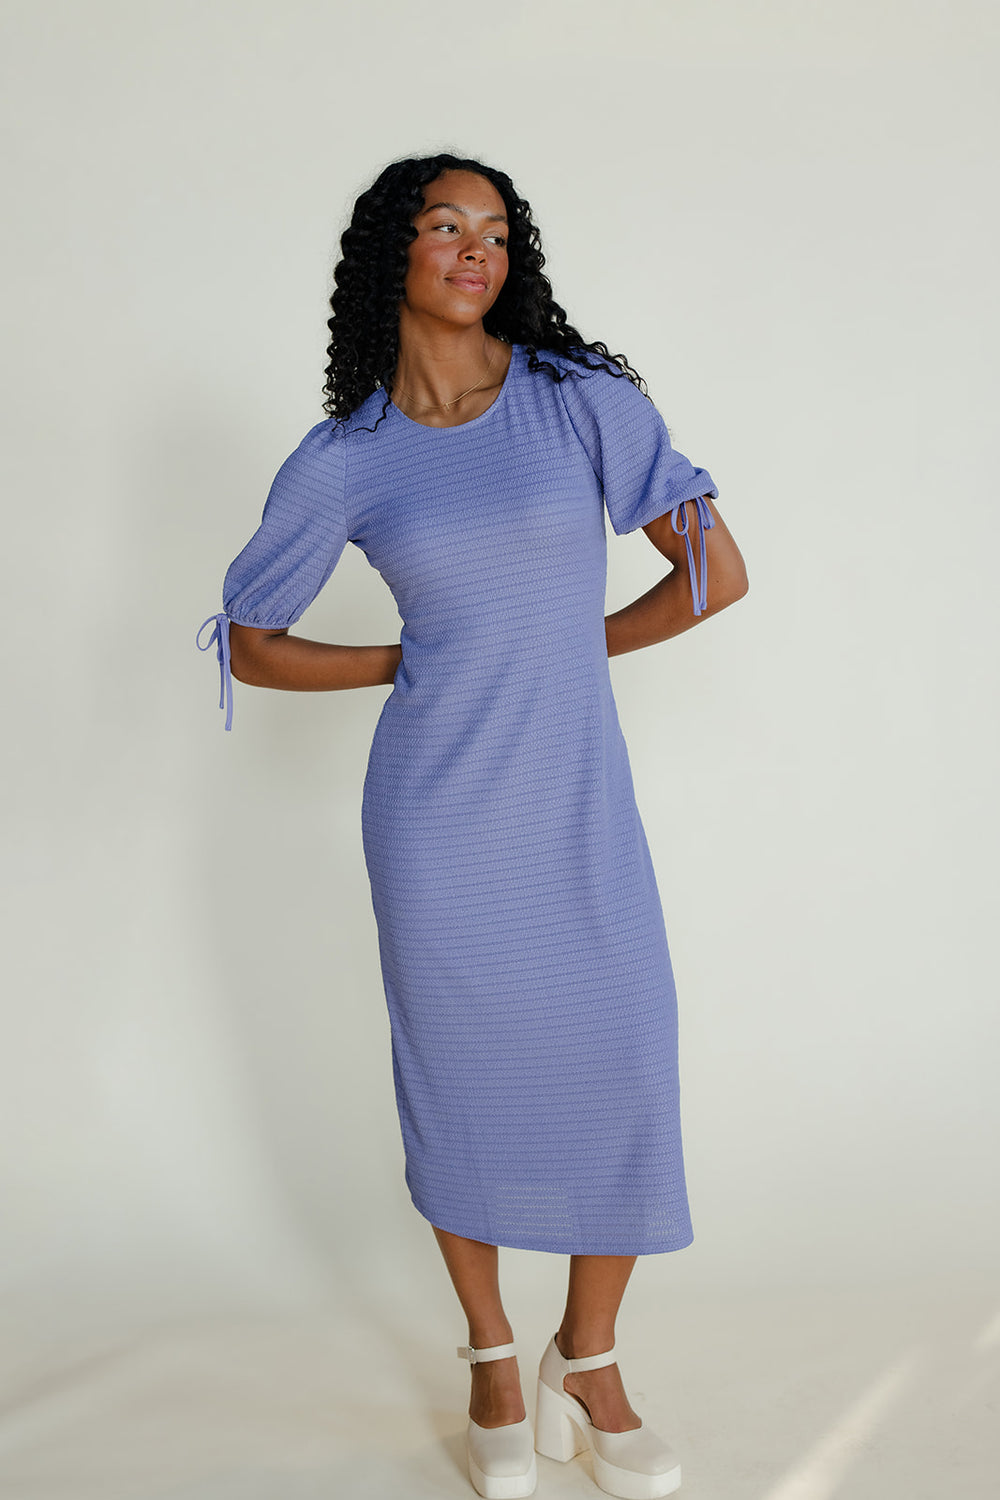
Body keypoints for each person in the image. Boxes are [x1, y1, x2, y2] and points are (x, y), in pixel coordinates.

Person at [197, 152, 748, 1500]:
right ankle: (495, 1359)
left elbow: (715, 575)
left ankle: (589, 1360)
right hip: (436, 819)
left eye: (495, 230)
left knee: (624, 1058)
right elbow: (251, 641)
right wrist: (417, 661)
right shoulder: (345, 459)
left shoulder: (580, 402)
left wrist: (559, 652)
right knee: (460, 1077)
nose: (474, 249)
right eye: (444, 225)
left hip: (574, 800)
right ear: (392, 252)